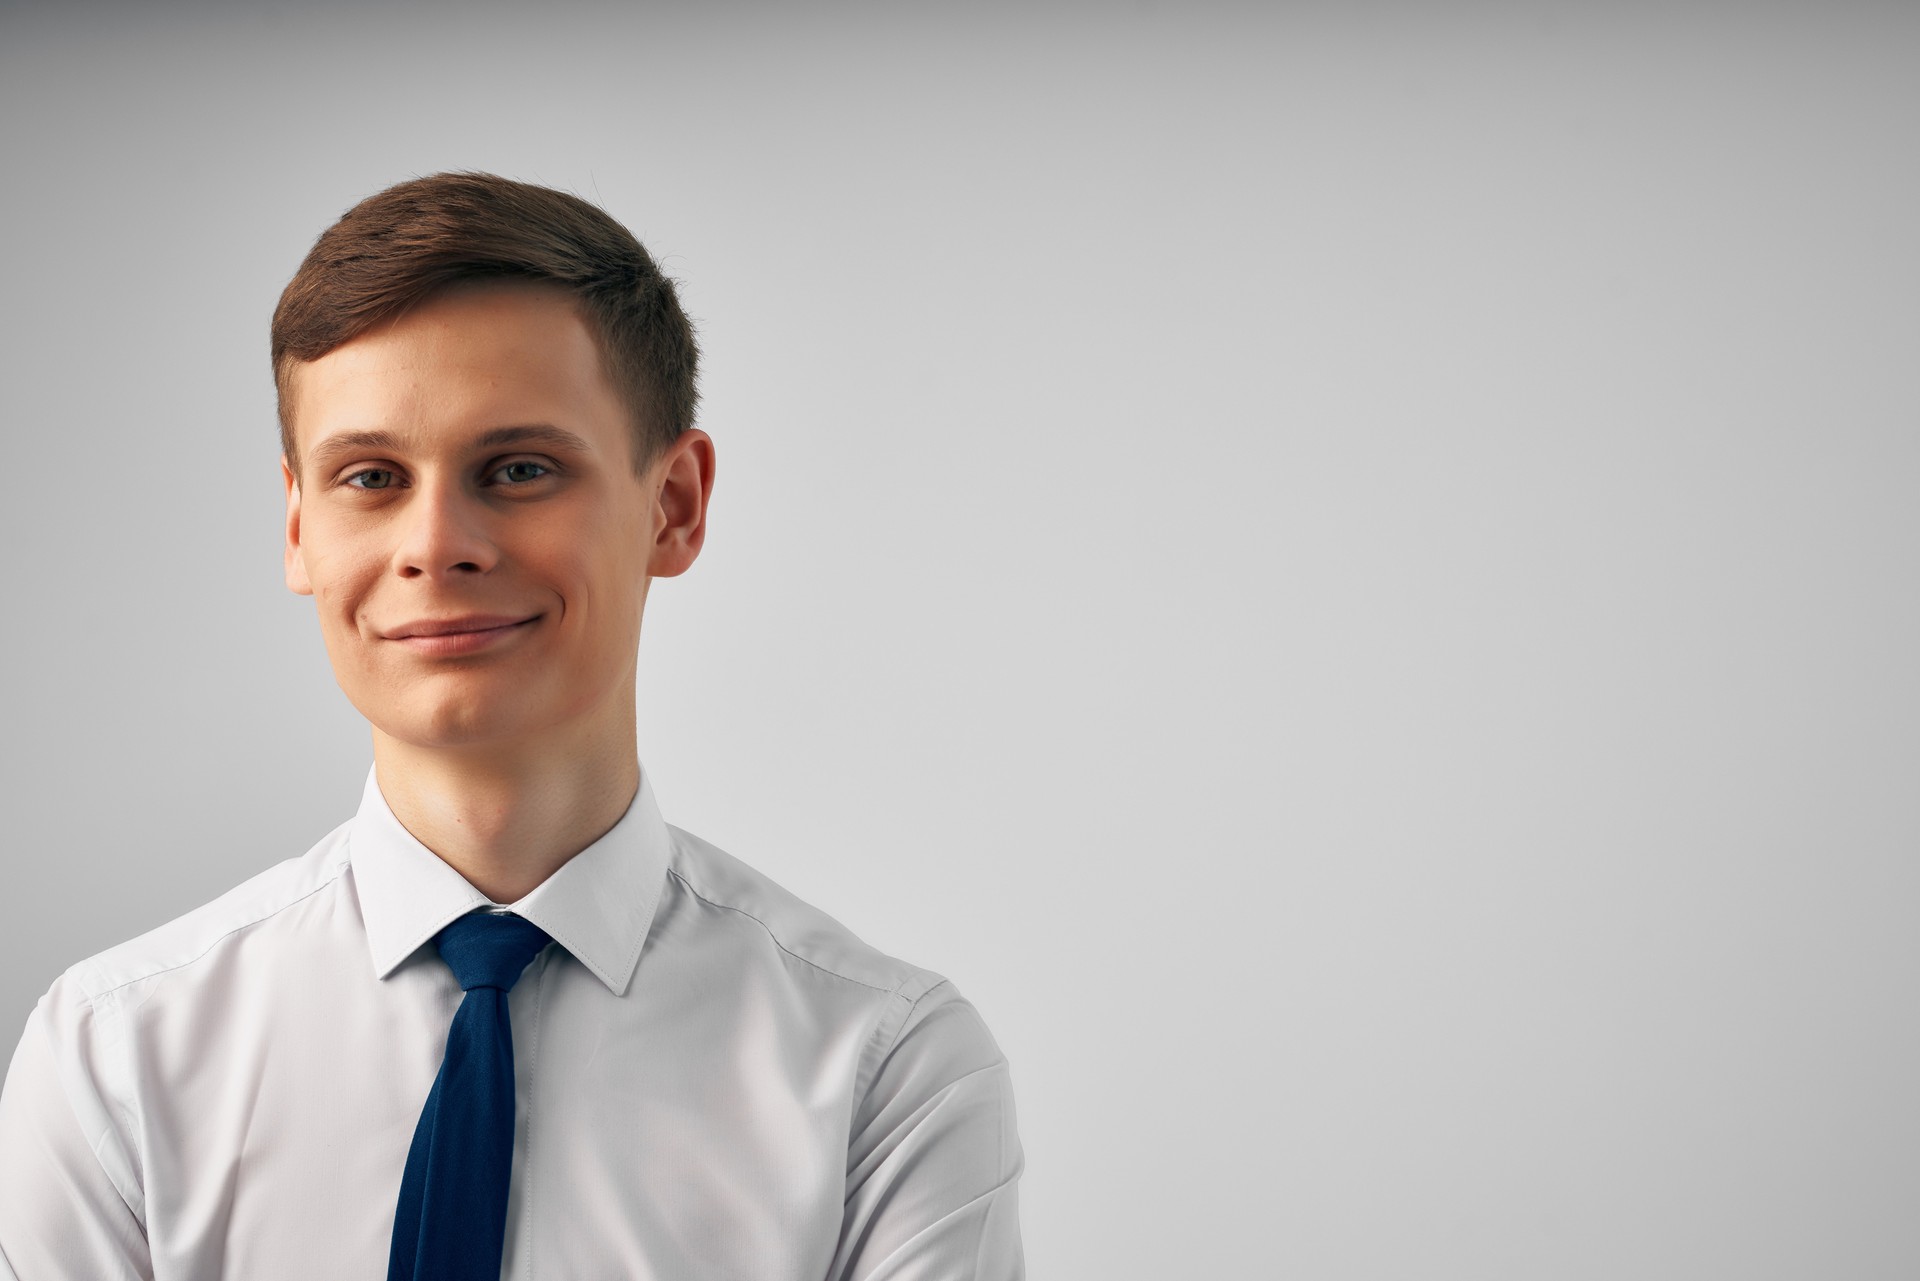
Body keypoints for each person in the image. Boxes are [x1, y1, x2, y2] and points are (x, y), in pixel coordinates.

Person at [0, 172, 1025, 1279]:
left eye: (520, 469)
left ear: (673, 505)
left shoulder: (885, 1073)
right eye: (372, 476)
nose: (436, 544)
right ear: (300, 529)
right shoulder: (114, 1057)